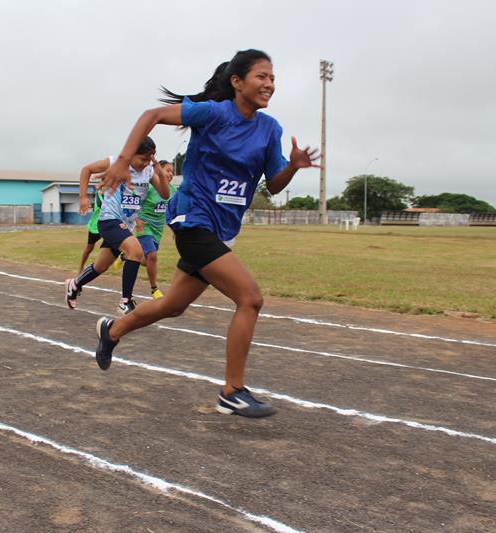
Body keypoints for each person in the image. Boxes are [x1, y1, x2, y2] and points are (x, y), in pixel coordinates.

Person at [93, 49, 320, 418]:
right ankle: (232, 391)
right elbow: (151, 115)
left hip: (224, 229)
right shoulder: (214, 114)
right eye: (261, 76)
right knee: (250, 298)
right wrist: (121, 161)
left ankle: (112, 331)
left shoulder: (269, 129)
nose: (269, 84)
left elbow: (274, 186)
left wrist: (293, 166)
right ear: (237, 81)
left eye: (273, 78)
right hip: (192, 219)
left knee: (173, 305)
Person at [65, 137, 170, 315]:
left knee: (101, 266)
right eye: (142, 159)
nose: (145, 163)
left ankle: (74, 285)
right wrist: (83, 197)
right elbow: (87, 169)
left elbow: (165, 194)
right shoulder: (116, 162)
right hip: (109, 220)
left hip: (126, 225)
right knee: (136, 251)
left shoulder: (149, 172)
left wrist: (159, 173)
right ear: (132, 154)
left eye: (149, 160)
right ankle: (125, 302)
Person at [136, 159, 177, 299]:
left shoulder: (173, 191)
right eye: (167, 170)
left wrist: (175, 231)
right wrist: (136, 219)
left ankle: (125, 255)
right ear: (157, 171)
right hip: (144, 225)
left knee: (145, 261)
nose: (170, 174)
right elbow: (134, 203)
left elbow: (172, 213)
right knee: (152, 255)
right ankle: (154, 289)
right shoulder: (149, 187)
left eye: (172, 172)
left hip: (158, 230)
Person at [75, 190, 103, 277]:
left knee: (115, 245)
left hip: (107, 226)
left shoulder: (114, 194)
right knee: (89, 249)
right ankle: (81, 267)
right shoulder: (98, 194)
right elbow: (102, 204)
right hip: (95, 227)